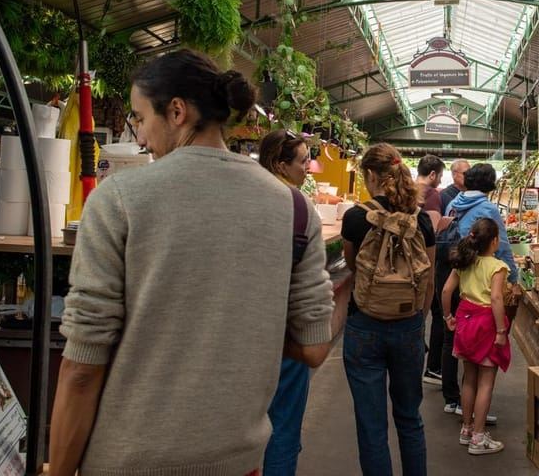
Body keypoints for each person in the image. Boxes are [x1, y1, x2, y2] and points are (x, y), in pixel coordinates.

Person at [51, 50, 335, 476]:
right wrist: (235, 330)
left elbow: (81, 370)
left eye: (140, 118)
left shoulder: (119, 199)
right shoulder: (294, 208)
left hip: (128, 462)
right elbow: (313, 347)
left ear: (177, 111)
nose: (140, 137)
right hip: (238, 462)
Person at [341, 143, 436, 476]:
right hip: (408, 326)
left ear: (370, 175)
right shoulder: (420, 220)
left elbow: (353, 268)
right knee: (409, 418)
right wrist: (417, 320)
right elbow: (428, 281)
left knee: (371, 426)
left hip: (364, 324)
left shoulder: (356, 217)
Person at [258, 129, 318, 476]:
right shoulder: (297, 205)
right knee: (283, 424)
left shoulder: (242, 198)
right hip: (284, 332)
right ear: (280, 164)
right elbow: (311, 284)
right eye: (303, 161)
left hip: (241, 330)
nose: (308, 167)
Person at [440, 163, 516, 422]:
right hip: (483, 308)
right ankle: (478, 429)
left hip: (457, 277)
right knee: (485, 375)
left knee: (460, 356)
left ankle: (455, 402)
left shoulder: (454, 204)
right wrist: (513, 278)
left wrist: (447, 315)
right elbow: (503, 248)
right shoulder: (488, 210)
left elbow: (447, 289)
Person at [442, 217, 511, 455]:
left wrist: (448, 316)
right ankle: (479, 439)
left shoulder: (464, 262)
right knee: (486, 383)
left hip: (465, 320)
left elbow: (446, 290)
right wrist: (501, 331)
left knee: (469, 379)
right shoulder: (497, 267)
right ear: (494, 241)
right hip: (486, 324)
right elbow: (496, 298)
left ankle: (467, 429)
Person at [424, 158, 470, 387]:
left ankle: (438, 366)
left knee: (445, 317)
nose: (468, 176)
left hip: (450, 264)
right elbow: (437, 231)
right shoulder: (445, 197)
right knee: (442, 317)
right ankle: (433, 367)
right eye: (465, 173)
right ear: (455, 174)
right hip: (443, 264)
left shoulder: (463, 194)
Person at [416, 154, 445, 225]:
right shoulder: (431, 194)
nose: (440, 182)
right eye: (440, 176)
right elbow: (433, 227)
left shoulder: (406, 189)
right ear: (432, 174)